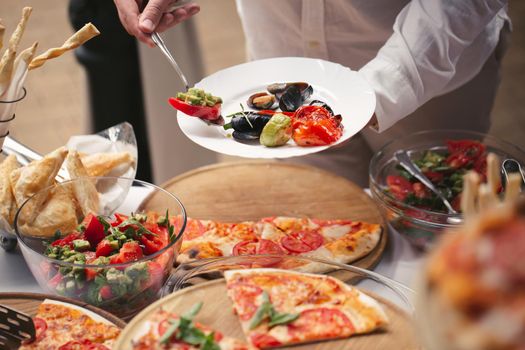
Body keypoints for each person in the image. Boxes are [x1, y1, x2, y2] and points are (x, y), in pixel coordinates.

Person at [114, 0, 510, 187]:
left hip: (430, 79)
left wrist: (380, 87)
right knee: (316, 249)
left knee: (437, 251)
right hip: (279, 62)